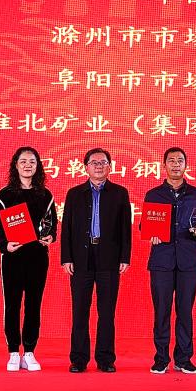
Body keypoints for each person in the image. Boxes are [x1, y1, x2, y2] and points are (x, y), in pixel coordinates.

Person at [60, 148, 131, 373]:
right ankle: (79, 359)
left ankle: (105, 359)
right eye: (94, 162)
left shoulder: (120, 193)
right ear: (86, 167)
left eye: (103, 162)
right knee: (80, 310)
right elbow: (66, 228)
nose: (99, 166)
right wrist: (66, 258)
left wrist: (125, 257)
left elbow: (125, 229)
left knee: (107, 311)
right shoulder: (74, 194)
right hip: (81, 258)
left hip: (109, 257)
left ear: (110, 167)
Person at [142, 147, 196, 374]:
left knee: (185, 311)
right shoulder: (154, 194)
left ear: (185, 165)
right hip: (161, 260)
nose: (175, 164)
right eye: (171, 160)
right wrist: (150, 233)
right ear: (164, 165)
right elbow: (144, 225)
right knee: (161, 311)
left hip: (189, 261)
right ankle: (161, 358)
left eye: (180, 160)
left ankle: (183, 358)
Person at [0, 146, 57, 372]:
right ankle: (12, 351)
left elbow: (52, 225)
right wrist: (5, 245)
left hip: (38, 257)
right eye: (23, 161)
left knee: (33, 304)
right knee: (12, 304)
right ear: (15, 165)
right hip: (13, 257)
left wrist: (50, 237)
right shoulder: (5, 195)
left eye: (32, 161)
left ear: (38, 166)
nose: (28, 165)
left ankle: (29, 351)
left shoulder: (45, 195)